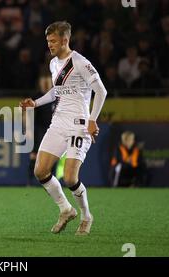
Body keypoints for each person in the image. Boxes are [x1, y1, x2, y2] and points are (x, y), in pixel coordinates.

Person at [20, 21, 107, 235]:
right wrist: (36, 103)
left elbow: (101, 91)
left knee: (69, 178)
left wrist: (93, 119)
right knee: (40, 170)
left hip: (79, 125)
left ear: (65, 40)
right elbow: (56, 92)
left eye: (53, 41)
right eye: (48, 41)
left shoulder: (80, 62)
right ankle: (65, 209)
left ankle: (86, 216)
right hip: (58, 122)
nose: (49, 45)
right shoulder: (53, 63)